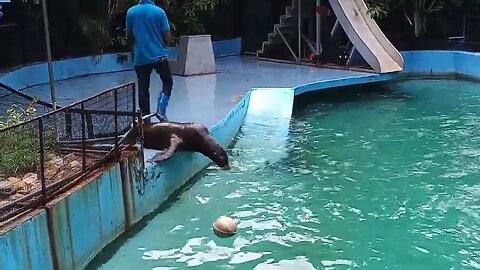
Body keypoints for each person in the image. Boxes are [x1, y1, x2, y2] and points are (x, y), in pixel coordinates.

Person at [126, 0, 173, 122]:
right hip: (159, 56)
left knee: (143, 88)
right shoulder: (159, 12)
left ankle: (145, 120)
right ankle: (161, 111)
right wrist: (163, 44)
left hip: (141, 57)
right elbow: (167, 35)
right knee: (167, 82)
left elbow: (129, 35)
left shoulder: (131, 12)